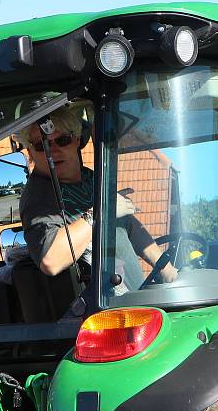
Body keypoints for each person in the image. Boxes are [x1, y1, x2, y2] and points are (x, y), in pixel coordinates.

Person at [17, 102, 178, 291]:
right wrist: (100, 211)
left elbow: (128, 224)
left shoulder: (89, 177)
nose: (53, 151)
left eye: (62, 141)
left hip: (132, 298)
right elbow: (50, 259)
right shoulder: (39, 197)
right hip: (103, 311)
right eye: (41, 145)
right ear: (30, 152)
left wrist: (167, 271)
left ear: (77, 139)